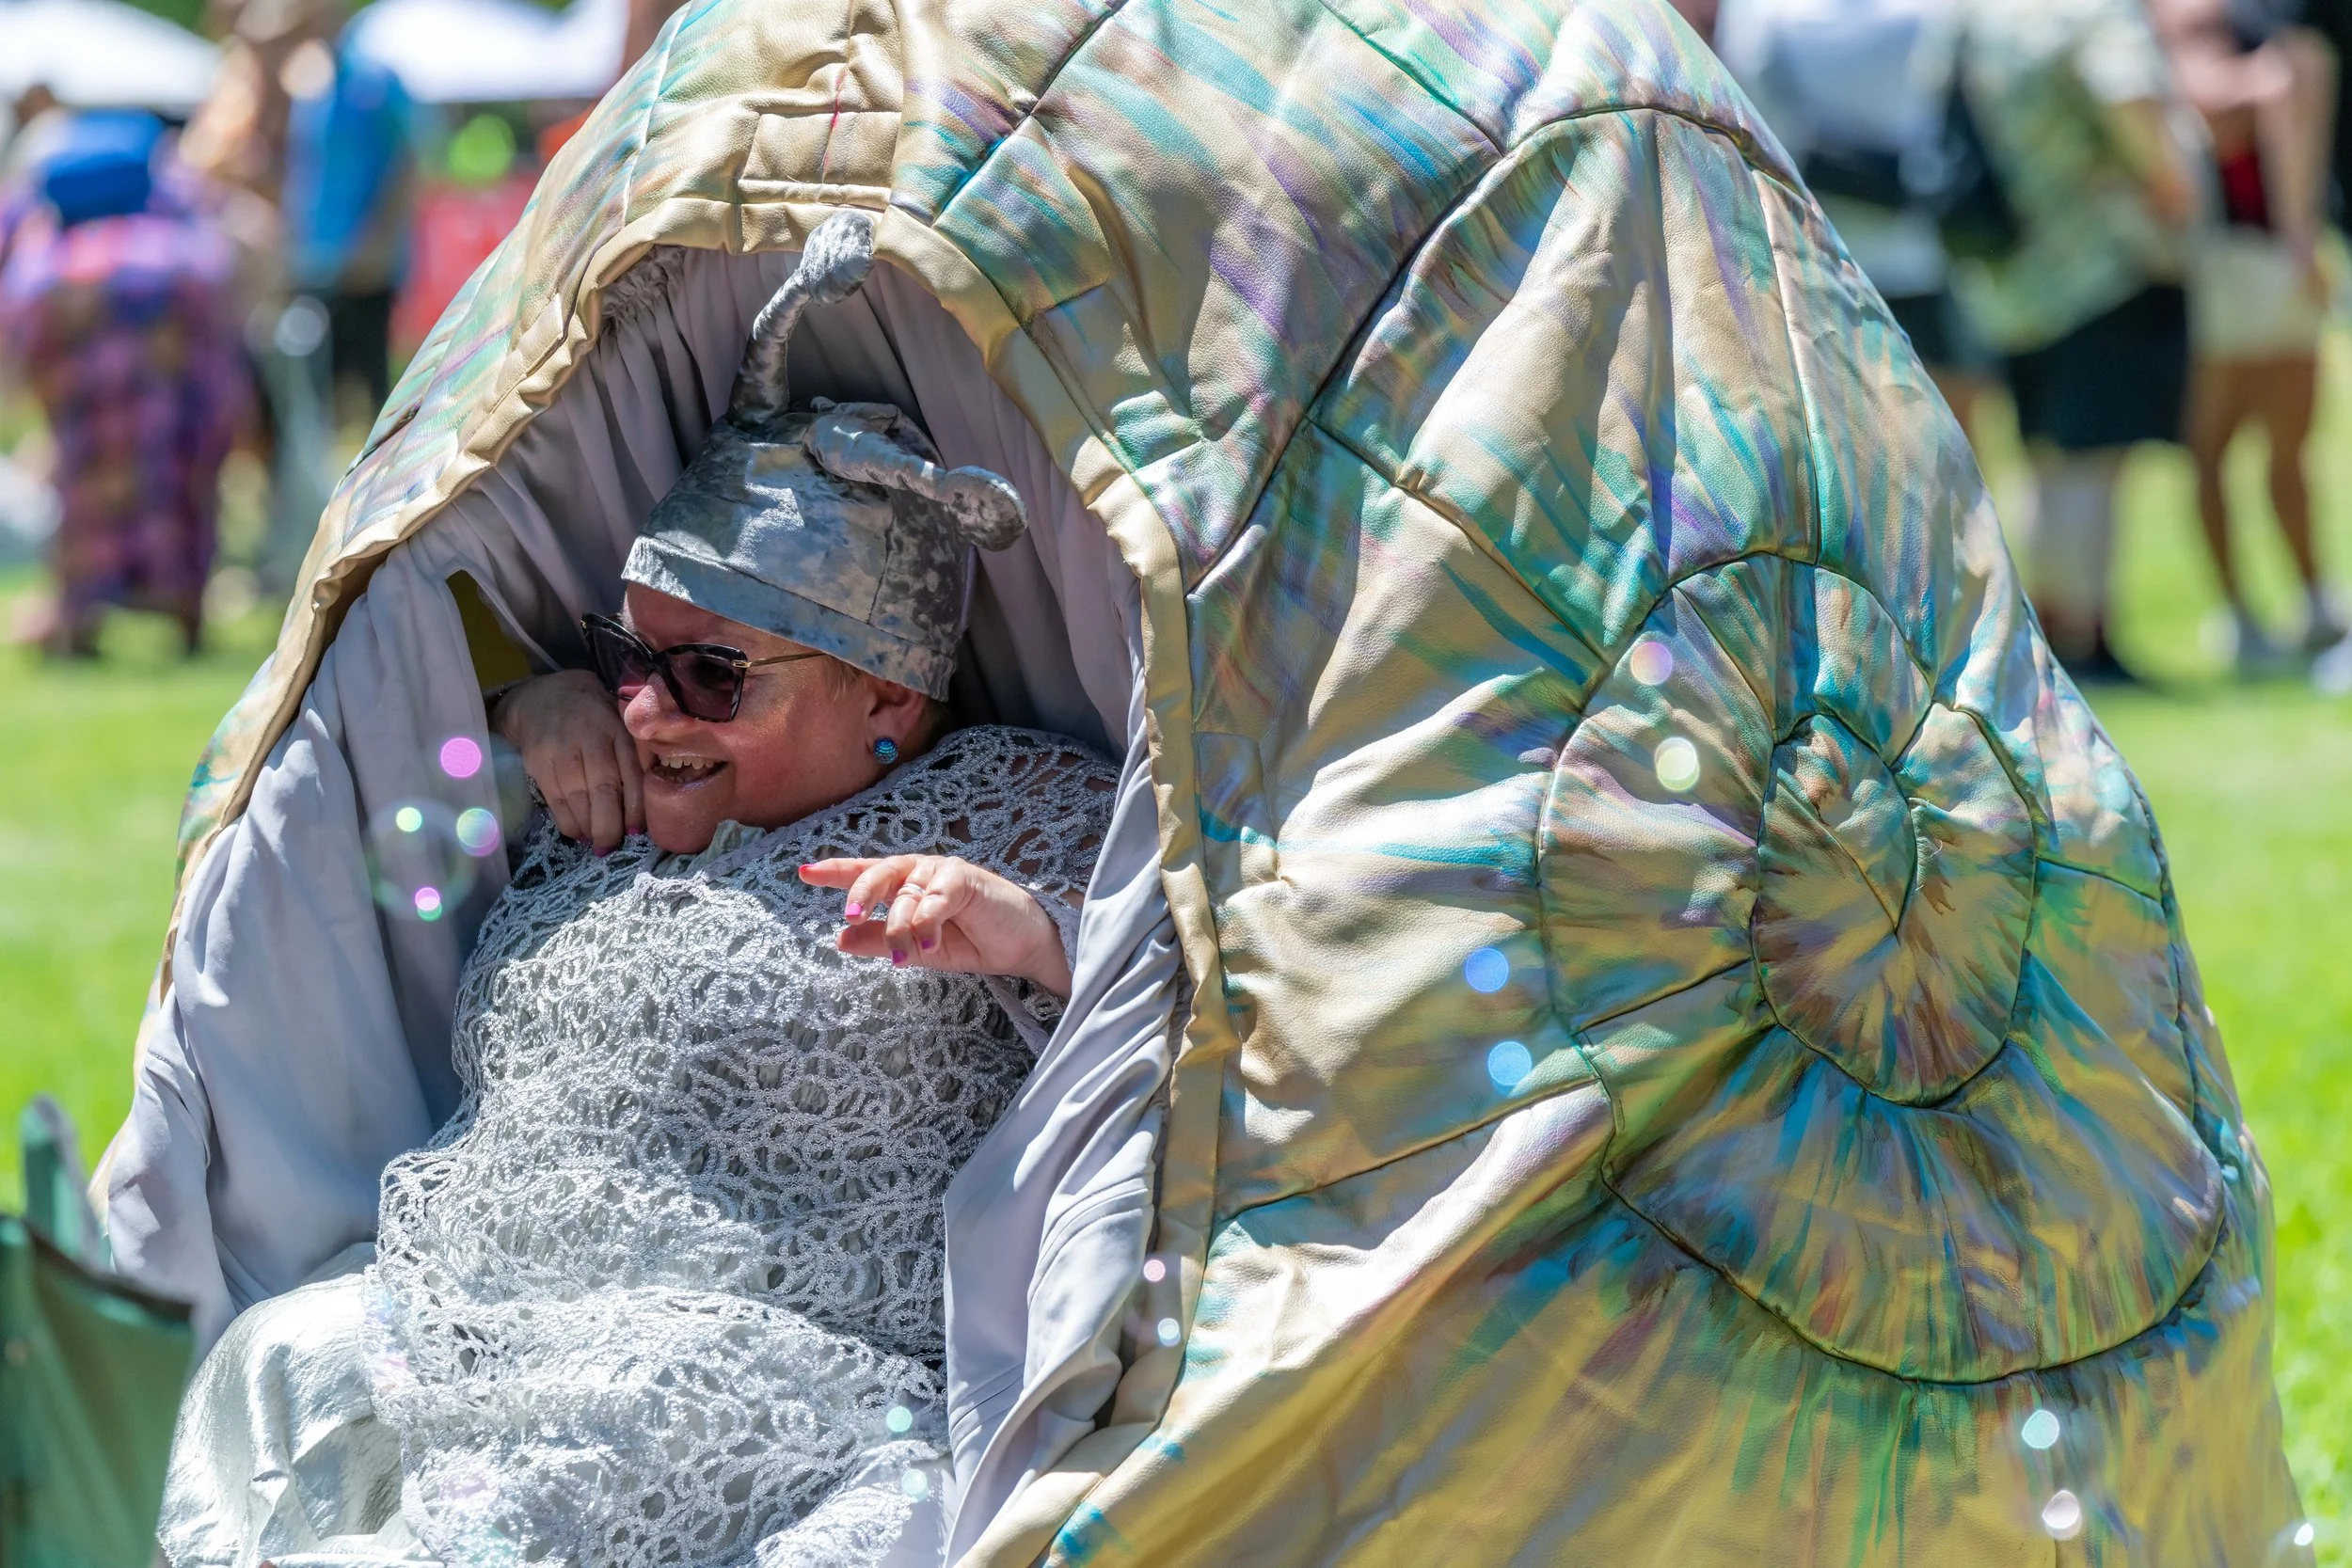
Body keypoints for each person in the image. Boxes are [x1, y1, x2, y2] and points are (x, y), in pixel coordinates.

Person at [157, 214, 1117, 1567]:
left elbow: (1192, 991)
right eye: (626, 655)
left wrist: (1029, 934)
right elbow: (416, 680)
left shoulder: (1004, 806)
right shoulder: (593, 798)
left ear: (886, 698)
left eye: (711, 675)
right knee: (276, 1356)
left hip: (760, 1360)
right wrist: (524, 694)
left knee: (592, 1447)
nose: (647, 706)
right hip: (460, 1317)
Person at [1952, 0, 2205, 682]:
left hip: (2008, 277)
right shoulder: (2087, 14)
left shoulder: (1982, 18)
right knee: (2092, 463)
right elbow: (2130, 97)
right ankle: (2086, 636)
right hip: (2098, 267)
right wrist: (2174, 182)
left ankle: (2054, 633)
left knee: (2044, 461)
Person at [0, 112, 248, 656]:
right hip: (174, 398)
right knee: (181, 488)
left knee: (84, 492)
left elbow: (21, 333)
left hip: (85, 406)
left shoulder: (48, 248)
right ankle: (185, 622)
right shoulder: (177, 232)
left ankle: (80, 624)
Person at [2153, 0, 2345, 671]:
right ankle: (2246, 616)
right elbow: (2213, 102)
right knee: (2215, 448)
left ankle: (2310, 603)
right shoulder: (2186, 13)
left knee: (2287, 446)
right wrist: (2300, 237)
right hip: (2229, 262)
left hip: (2262, 260)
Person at [1715, 0, 1997, 431]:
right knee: (1954, 435)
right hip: (1926, 249)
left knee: (1850, 439)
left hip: (1820, 259)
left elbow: (1748, 128)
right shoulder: (1933, 12)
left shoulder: (1761, 19)